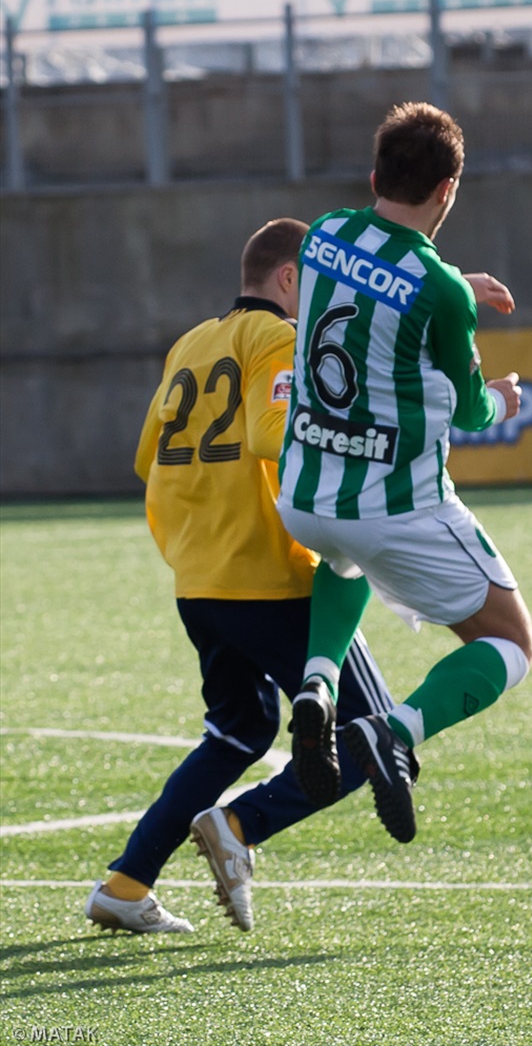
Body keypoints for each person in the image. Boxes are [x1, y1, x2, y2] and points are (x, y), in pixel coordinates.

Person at [84, 217, 416, 936]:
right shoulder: (280, 338)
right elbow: (272, 431)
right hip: (271, 580)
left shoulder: (190, 343)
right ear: (290, 278)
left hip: (199, 579)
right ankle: (238, 825)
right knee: (375, 737)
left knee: (240, 731)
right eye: (321, 282)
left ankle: (126, 883)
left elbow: (146, 458)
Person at [277, 102, 532, 844]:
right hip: (394, 508)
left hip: (304, 495)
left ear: (374, 177)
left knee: (343, 560)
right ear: (448, 189)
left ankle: (318, 685)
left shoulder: (324, 233)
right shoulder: (439, 291)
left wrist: (453, 281)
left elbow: (379, 280)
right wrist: (505, 398)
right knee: (512, 645)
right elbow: (471, 410)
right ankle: (393, 730)